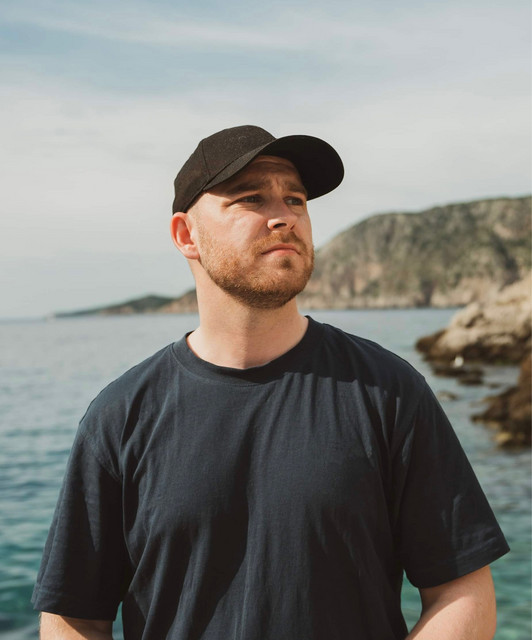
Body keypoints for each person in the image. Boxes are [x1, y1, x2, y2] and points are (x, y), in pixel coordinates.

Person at [33, 125, 509, 639]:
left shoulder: (388, 392)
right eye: (251, 198)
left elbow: (462, 592)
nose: (285, 217)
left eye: (296, 199)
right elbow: (73, 617)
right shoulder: (120, 416)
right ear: (186, 235)